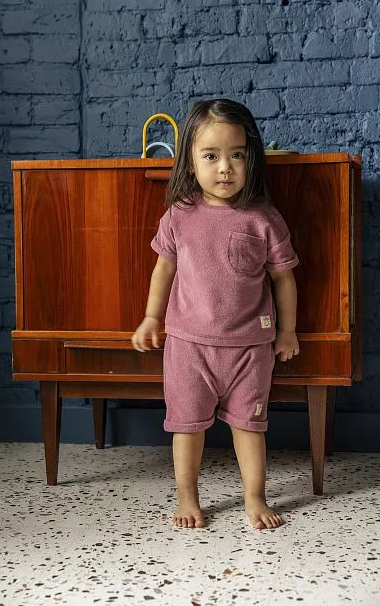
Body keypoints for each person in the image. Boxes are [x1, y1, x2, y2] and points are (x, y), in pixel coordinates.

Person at [131, 98, 299, 530]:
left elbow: (283, 279)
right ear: (190, 161)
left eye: (236, 155)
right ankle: (187, 496)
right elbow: (163, 269)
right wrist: (151, 318)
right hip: (189, 345)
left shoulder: (264, 218)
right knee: (187, 426)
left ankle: (255, 497)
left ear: (251, 158)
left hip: (250, 348)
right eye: (211, 156)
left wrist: (287, 331)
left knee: (250, 426)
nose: (225, 168)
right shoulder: (180, 215)